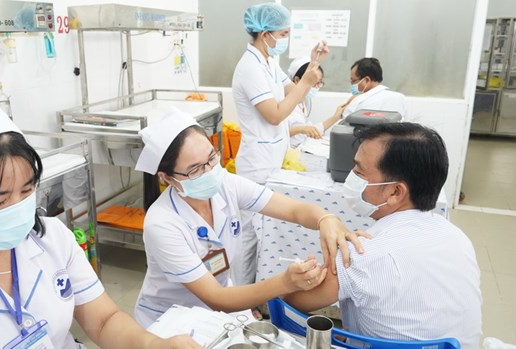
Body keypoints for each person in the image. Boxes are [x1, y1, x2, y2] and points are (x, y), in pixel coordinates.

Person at [0, 103, 201, 348]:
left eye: (27, 191)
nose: (18, 209)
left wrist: (152, 344)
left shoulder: (53, 238)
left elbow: (104, 320)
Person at [133, 110, 365, 328]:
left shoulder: (225, 184)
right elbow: (216, 297)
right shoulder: (162, 224)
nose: (210, 171)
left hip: (221, 306)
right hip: (172, 318)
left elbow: (294, 210)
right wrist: (285, 282)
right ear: (168, 178)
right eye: (195, 169)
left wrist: (325, 218)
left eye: (212, 157)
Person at [284, 123, 482, 349]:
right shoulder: (458, 237)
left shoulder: (360, 255)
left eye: (359, 172)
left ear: (395, 192)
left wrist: (303, 272)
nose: (351, 178)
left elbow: (291, 299)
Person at [231, 2, 328, 292]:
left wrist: (312, 66)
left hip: (272, 158)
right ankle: (239, 296)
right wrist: (307, 81)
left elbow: (292, 93)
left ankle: (252, 292)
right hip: (256, 162)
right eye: (283, 33)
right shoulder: (249, 67)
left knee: (264, 232)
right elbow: (274, 114)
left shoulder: (268, 62)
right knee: (249, 234)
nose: (284, 40)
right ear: (265, 34)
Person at [286, 57, 350, 147]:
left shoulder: (302, 103)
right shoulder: (285, 102)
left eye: (319, 83)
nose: (316, 87)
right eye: (313, 82)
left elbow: (311, 130)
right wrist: (300, 129)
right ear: (297, 80)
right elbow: (275, 134)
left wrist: (336, 117)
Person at [342, 57, 407, 119]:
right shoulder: (400, 98)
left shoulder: (358, 102)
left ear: (367, 80)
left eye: (353, 81)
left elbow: (343, 126)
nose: (353, 85)